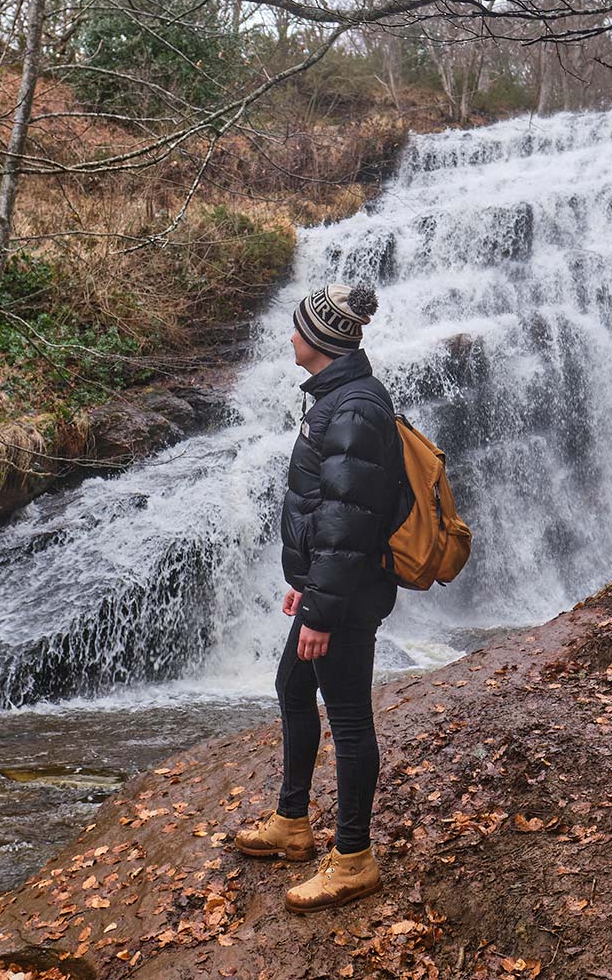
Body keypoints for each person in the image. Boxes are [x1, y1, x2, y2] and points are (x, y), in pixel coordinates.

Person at [233, 281, 410, 913]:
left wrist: (323, 608)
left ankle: (355, 859)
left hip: (348, 598)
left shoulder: (356, 409)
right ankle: (292, 822)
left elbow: (350, 518)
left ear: (321, 341)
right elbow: (326, 509)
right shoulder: (340, 399)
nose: (289, 337)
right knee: (291, 688)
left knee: (351, 718)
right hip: (328, 591)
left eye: (297, 329)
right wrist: (305, 583)